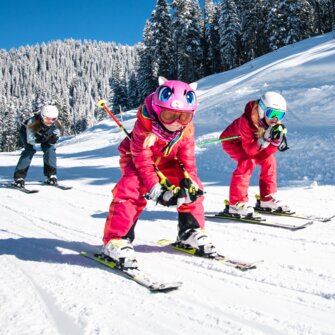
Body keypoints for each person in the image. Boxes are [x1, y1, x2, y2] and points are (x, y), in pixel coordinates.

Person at [102, 76, 217, 269]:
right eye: (168, 115)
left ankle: (189, 231)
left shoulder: (186, 130)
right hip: (136, 159)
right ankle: (116, 239)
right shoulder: (144, 125)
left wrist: (189, 180)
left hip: (166, 161)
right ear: (157, 110)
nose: (175, 122)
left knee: (193, 187)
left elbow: (187, 159)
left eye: (183, 116)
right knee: (131, 187)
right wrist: (155, 186)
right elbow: (142, 159)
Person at [220, 91, 290, 217]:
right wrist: (264, 139)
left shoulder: (273, 124)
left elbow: (266, 153)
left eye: (280, 115)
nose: (275, 119)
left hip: (253, 145)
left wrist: (274, 142)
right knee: (247, 162)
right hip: (233, 143)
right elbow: (249, 151)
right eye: (272, 113)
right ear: (262, 110)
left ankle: (267, 199)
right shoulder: (246, 121)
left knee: (270, 160)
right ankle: (236, 204)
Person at [12, 105, 64, 187]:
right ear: (42, 116)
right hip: (27, 133)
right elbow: (30, 140)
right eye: (47, 119)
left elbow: (57, 134)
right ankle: (19, 177)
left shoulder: (56, 124)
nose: (50, 122)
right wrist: (42, 139)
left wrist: (53, 139)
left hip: (44, 135)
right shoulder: (32, 123)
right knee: (29, 150)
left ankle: (50, 175)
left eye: (53, 119)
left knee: (50, 149)